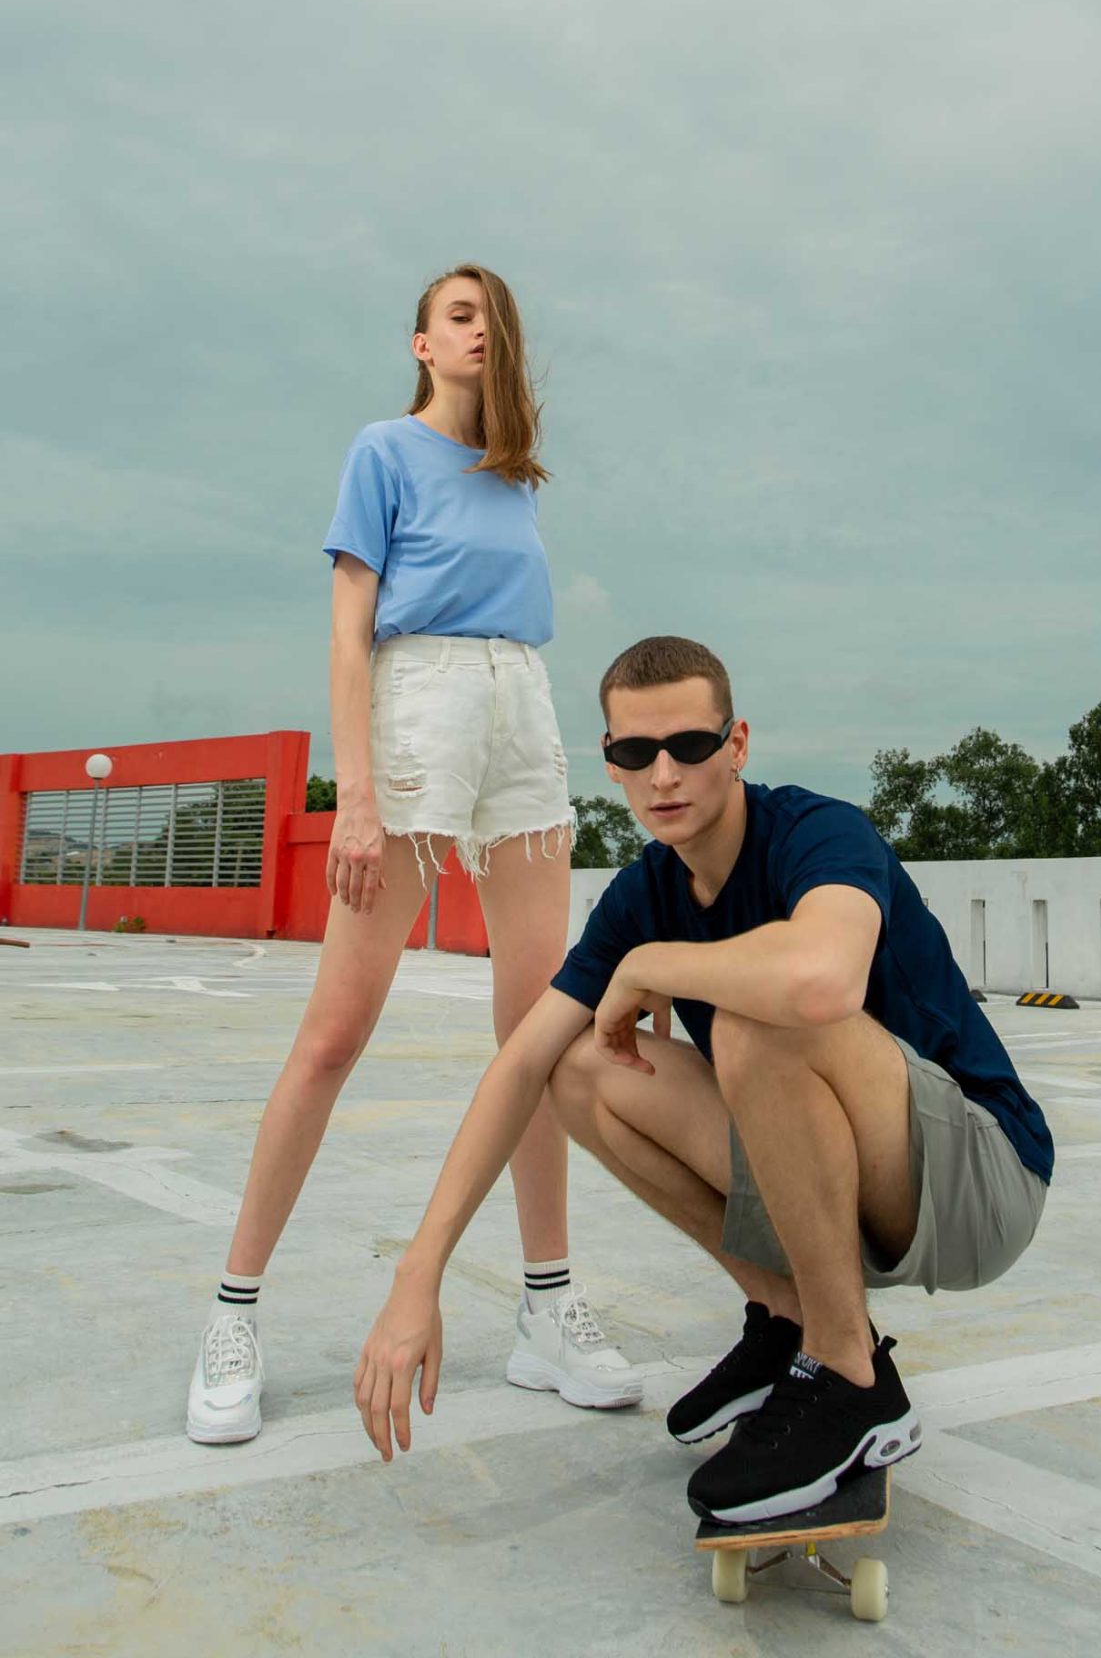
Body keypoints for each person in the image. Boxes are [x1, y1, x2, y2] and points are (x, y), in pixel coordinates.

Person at [352, 635, 1053, 1524]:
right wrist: (419, 1276)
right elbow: (520, 1064)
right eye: (635, 752)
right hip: (850, 1178)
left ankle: (850, 1378)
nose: (663, 775)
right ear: (610, 762)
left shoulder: (816, 832)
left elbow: (823, 981)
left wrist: (656, 963)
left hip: (978, 1181)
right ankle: (789, 1320)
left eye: (689, 745)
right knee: (579, 1067)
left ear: (737, 745)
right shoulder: (646, 891)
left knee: (761, 1022)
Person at [186, 265, 643, 1445]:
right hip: (417, 709)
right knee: (335, 1032)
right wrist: (357, 796)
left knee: (539, 1029)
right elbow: (350, 633)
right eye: (458, 314)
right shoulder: (383, 449)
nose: (479, 329)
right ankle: (234, 1312)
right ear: (422, 343)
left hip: (520, 712)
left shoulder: (517, 475)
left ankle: (546, 1308)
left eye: (493, 315)